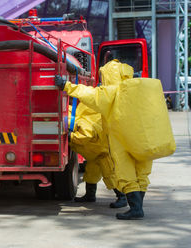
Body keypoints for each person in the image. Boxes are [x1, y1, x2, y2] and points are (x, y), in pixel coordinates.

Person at [55, 59, 175, 220]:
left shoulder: (113, 91)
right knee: (142, 174)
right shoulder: (138, 88)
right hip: (143, 139)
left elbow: (90, 95)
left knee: (126, 173)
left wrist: (66, 85)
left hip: (122, 141)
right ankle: (137, 206)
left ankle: (135, 208)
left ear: (108, 75)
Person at [69, 102, 126, 208]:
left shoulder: (80, 121)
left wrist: (70, 136)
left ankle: (122, 197)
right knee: (91, 174)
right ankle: (90, 195)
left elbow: (86, 135)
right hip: (95, 152)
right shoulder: (88, 112)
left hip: (102, 152)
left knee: (110, 175)